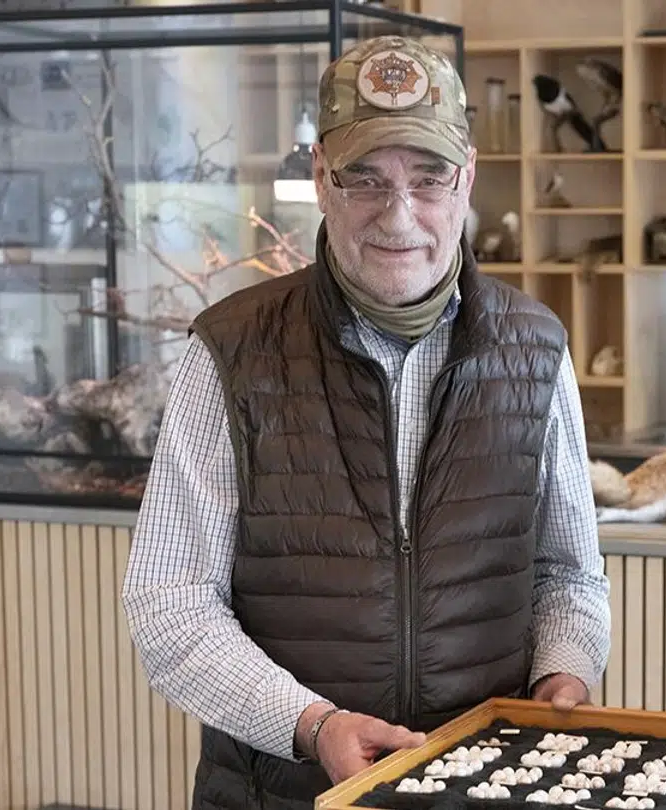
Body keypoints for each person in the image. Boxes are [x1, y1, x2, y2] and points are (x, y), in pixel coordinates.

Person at [121, 36, 610, 810]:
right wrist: (312, 724)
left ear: (468, 178)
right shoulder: (232, 351)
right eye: (365, 180)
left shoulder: (537, 348)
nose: (400, 216)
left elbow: (568, 573)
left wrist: (565, 670)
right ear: (320, 177)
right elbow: (169, 601)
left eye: (428, 179)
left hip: (479, 790)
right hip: (281, 792)